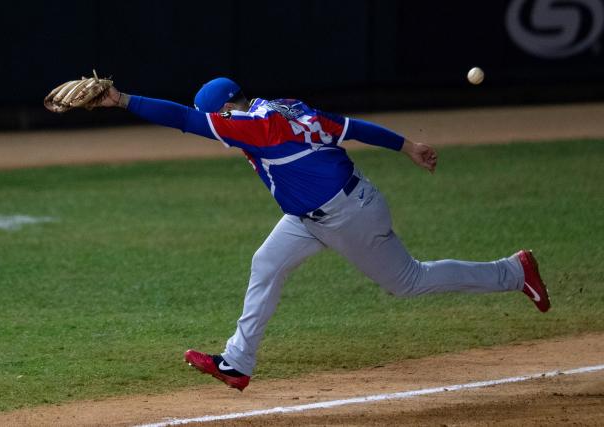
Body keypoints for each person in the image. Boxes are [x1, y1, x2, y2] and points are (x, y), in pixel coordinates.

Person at [97, 77, 550, 392]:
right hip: (312, 215)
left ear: (227, 109)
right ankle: (237, 363)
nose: (214, 127)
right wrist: (408, 146)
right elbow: (350, 127)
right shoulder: (285, 109)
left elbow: (184, 119)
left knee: (409, 281)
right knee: (266, 263)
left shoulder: (255, 125)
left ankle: (512, 272)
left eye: (214, 118)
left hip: (348, 214)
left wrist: (122, 100)